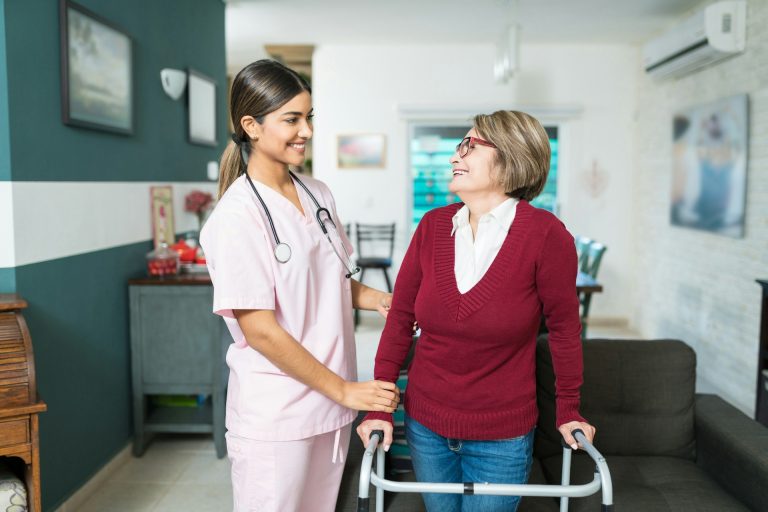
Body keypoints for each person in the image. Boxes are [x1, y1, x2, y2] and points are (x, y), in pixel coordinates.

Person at [357, 110, 596, 512]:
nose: (456, 156)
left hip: (503, 435)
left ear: (512, 156)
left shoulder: (546, 236)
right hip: (426, 425)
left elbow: (564, 330)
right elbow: (400, 318)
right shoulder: (432, 227)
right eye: (458, 146)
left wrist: (569, 408)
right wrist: (379, 406)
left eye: (470, 146)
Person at [200, 59, 399, 512]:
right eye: (291, 119)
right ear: (251, 125)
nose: (305, 130)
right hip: (279, 415)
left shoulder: (318, 194)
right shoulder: (236, 217)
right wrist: (346, 390)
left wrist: (382, 300)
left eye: (308, 117)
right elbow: (260, 330)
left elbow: (333, 282)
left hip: (329, 408)